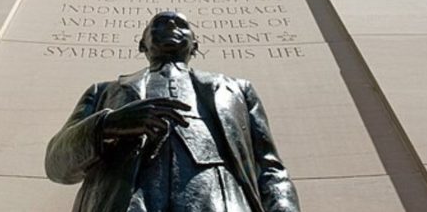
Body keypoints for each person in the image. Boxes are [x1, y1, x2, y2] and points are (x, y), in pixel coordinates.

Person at [45, 11, 300, 212]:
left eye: (180, 24)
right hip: (125, 200)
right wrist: (108, 124)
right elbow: (57, 165)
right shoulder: (103, 92)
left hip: (220, 200)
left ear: (195, 44)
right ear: (142, 44)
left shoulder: (237, 90)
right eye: (160, 23)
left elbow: (269, 167)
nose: (171, 27)